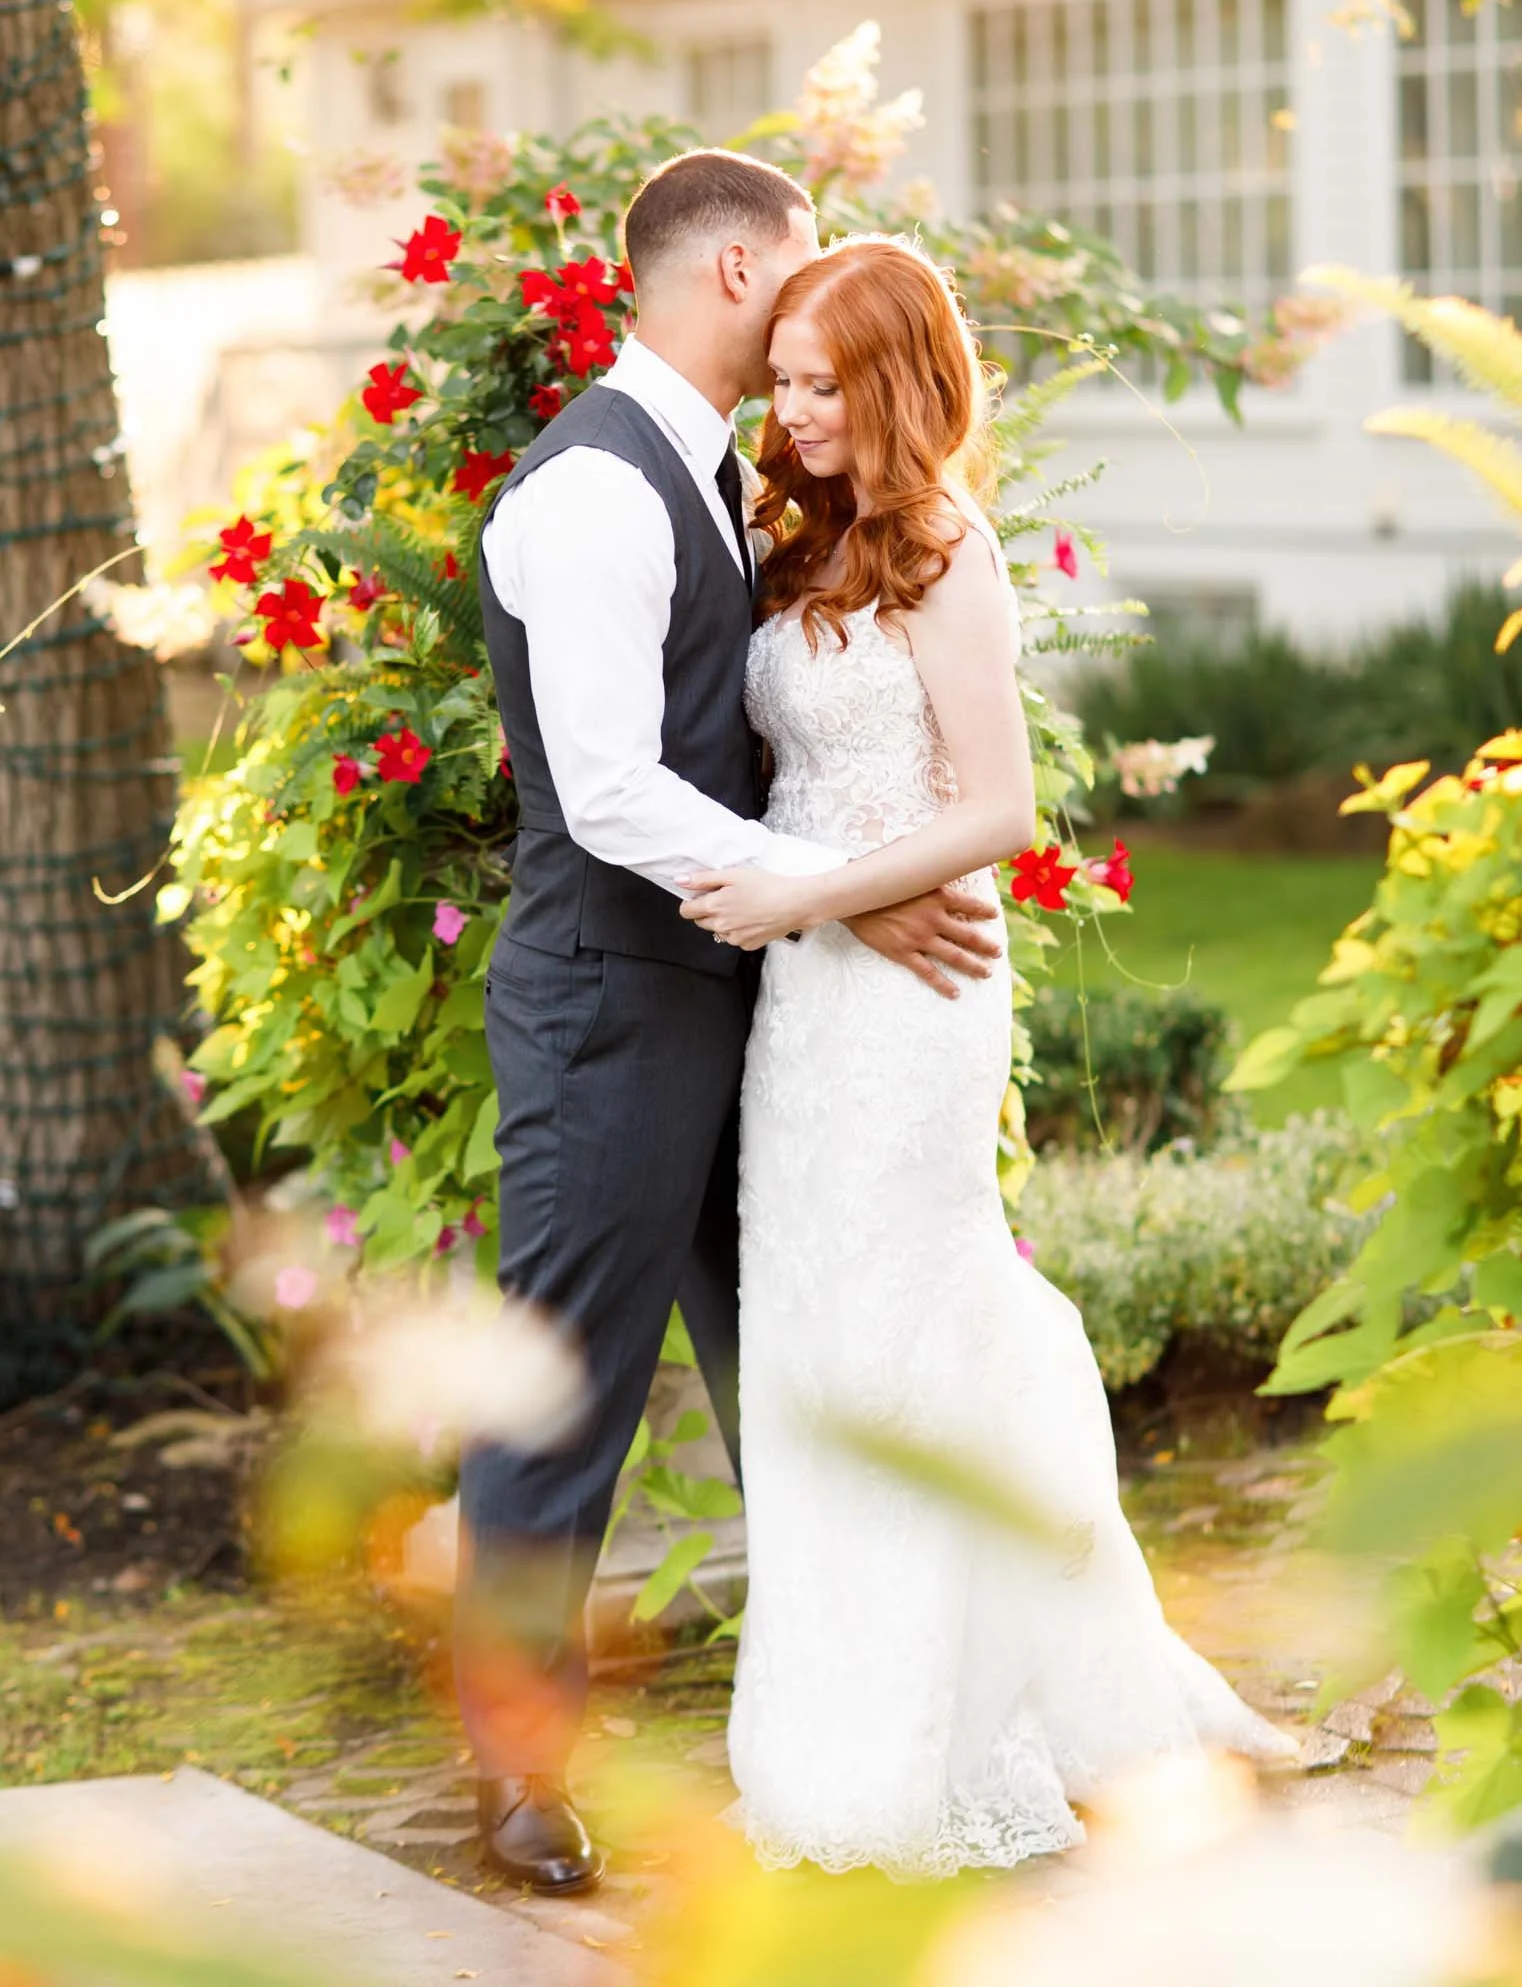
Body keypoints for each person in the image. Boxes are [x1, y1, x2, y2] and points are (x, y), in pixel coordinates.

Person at [679, 234, 1296, 1875]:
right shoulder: (786, 535)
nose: (790, 409)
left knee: (902, 1337)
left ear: (892, 385)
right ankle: (831, 1724)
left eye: (822, 384)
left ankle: (932, 1738)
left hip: (916, 1006)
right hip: (810, 996)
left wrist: (822, 893)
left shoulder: (947, 554)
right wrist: (818, 903)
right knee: (812, 1347)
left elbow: (1000, 813)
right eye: (784, 378)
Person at [463, 154, 1003, 1894]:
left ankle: (879, 1726)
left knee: (811, 1363)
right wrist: (837, 884)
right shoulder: (598, 495)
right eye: (791, 300)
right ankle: (520, 1777)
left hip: (759, 1025)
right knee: (564, 1398)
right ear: (741, 269)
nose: (803, 340)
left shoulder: (717, 478)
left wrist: (840, 886)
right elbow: (614, 791)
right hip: (617, 1012)